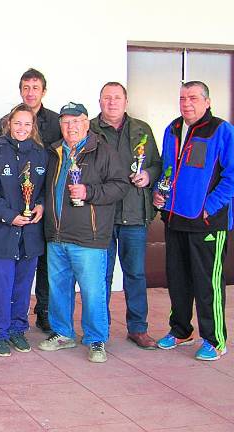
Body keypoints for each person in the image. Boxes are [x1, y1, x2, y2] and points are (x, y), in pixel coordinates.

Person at [37, 103, 128, 363]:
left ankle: (96, 339)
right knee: (59, 289)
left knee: (92, 291)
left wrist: (90, 193)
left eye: (76, 121)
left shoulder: (103, 151)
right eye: (66, 122)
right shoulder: (54, 152)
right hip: (56, 235)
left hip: (89, 237)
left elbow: (120, 186)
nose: (71, 127)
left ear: (87, 123)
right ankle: (63, 333)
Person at [153, 81, 234, 361]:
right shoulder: (173, 128)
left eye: (194, 98)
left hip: (207, 223)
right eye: (183, 98)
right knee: (178, 280)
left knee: (207, 283)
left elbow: (232, 176)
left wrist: (208, 207)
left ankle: (214, 339)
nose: (187, 103)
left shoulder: (221, 130)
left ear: (207, 102)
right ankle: (181, 330)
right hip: (174, 219)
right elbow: (167, 167)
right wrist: (159, 194)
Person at [90, 82, 160, 349]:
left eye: (117, 98)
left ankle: (138, 328)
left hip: (134, 214)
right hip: (101, 215)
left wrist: (149, 175)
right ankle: (100, 329)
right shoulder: (91, 130)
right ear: (100, 102)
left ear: (126, 101)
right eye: (107, 98)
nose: (112, 103)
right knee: (101, 275)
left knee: (135, 274)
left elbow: (156, 163)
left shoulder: (142, 129)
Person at [0, 68, 62, 333]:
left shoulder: (57, 121)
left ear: (43, 91)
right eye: (26, 87)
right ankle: (1, 327)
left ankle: (42, 312)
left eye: (35, 87)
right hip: (10, 213)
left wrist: (44, 205)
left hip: (43, 209)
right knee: (9, 274)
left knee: (41, 265)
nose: (30, 92)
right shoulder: (3, 124)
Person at [0, 104, 47, 357]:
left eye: (27, 124)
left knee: (22, 285)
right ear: (9, 124)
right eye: (17, 123)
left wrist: (40, 206)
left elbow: (42, 191)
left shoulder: (41, 154)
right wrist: (11, 217)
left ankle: (17, 329)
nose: (22, 128)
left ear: (33, 127)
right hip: (3, 232)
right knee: (2, 285)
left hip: (30, 233)